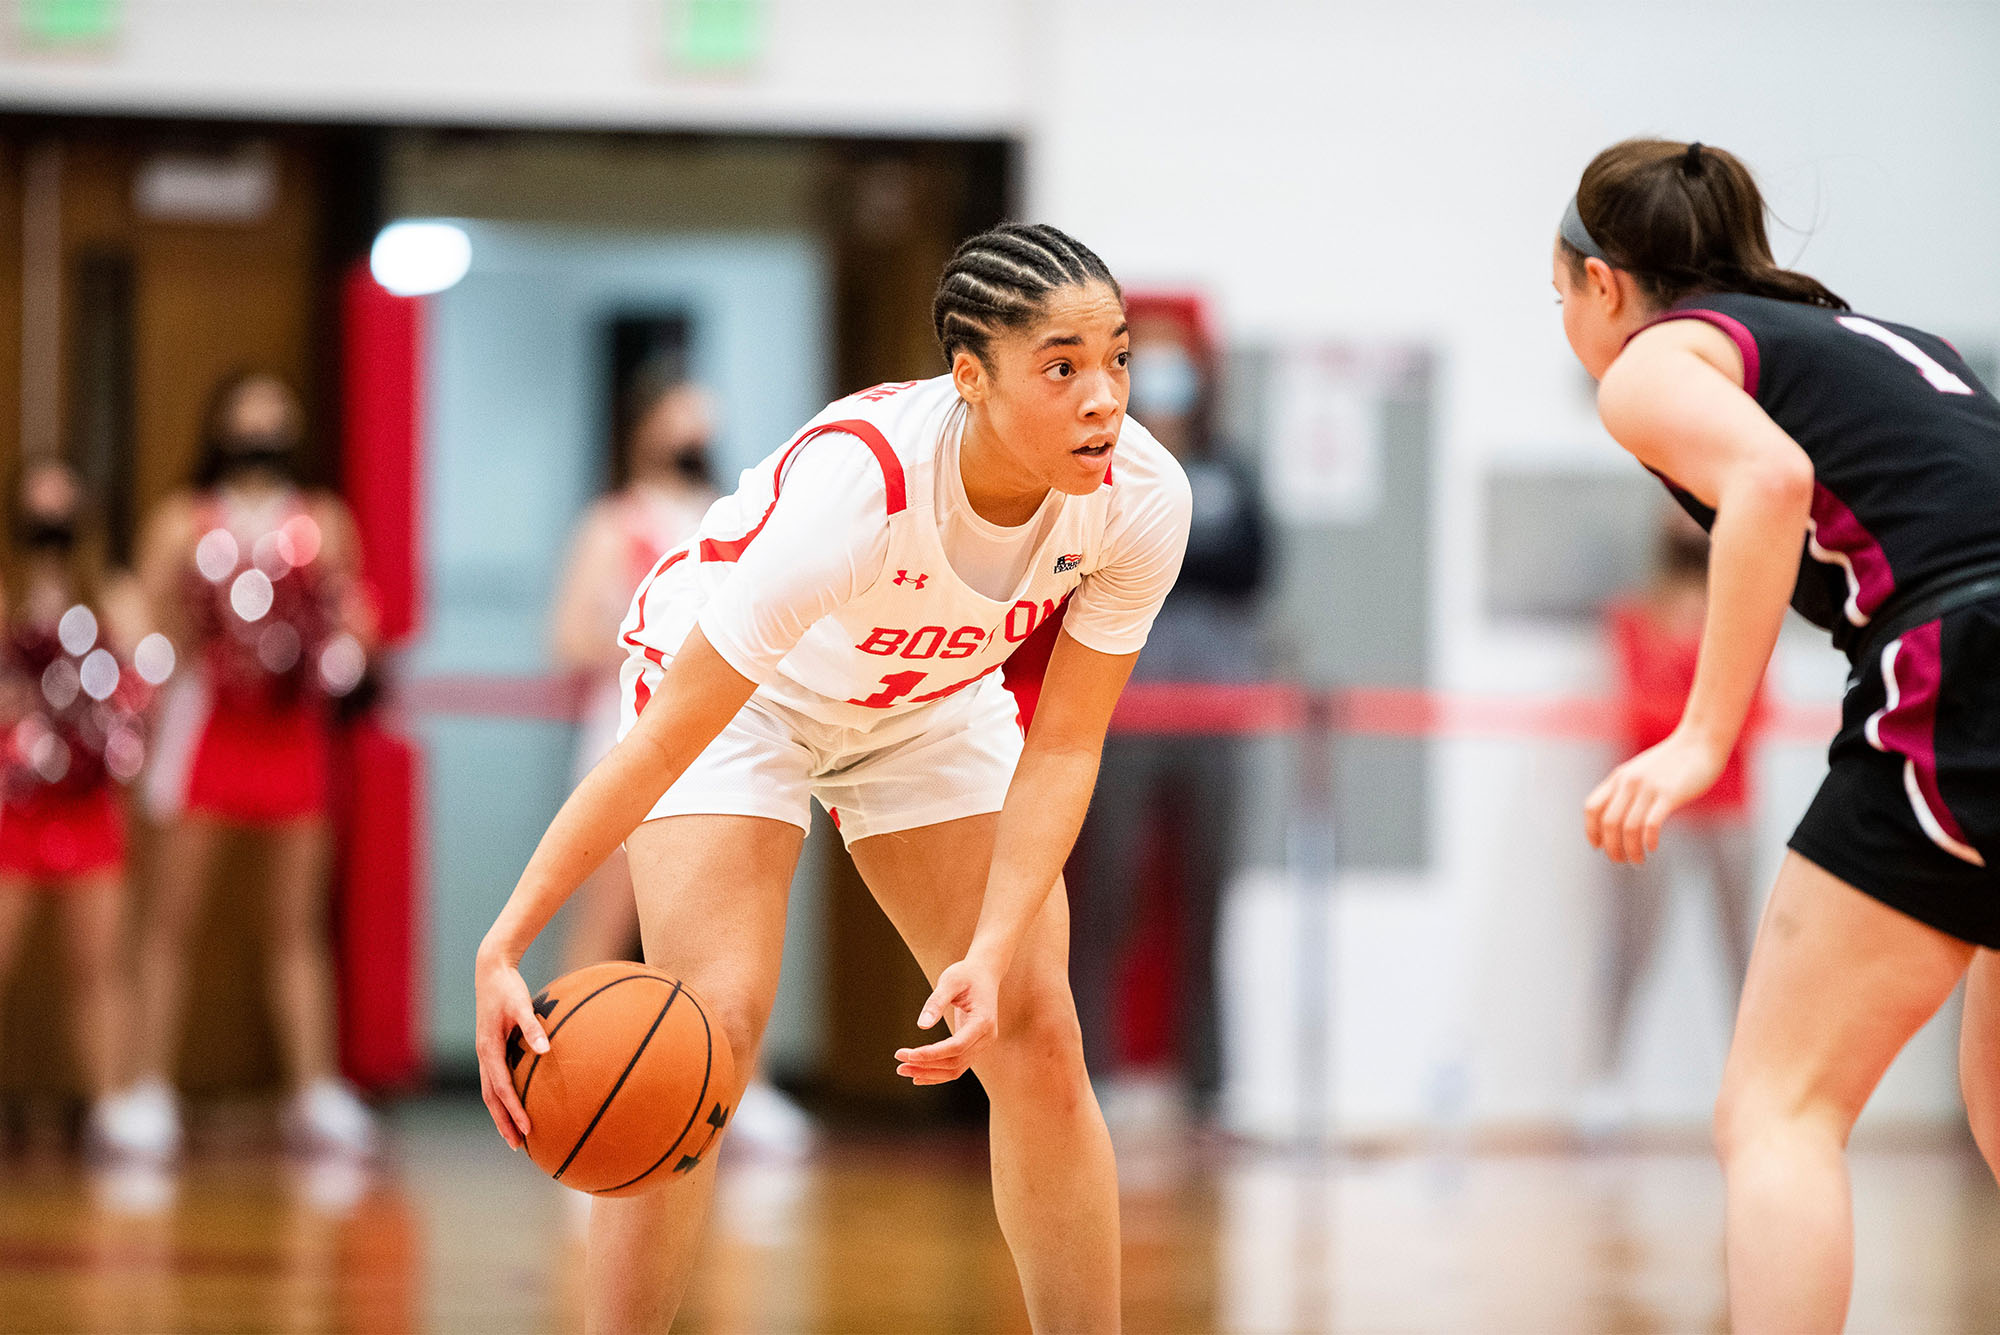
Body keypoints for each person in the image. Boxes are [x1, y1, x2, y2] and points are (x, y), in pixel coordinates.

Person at [474, 222, 1191, 1332]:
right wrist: (507, 938)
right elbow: (662, 744)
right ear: (971, 378)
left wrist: (991, 952)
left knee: (1036, 1031)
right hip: (740, 698)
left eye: (1117, 358)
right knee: (701, 1038)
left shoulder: (1141, 496)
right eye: (1061, 366)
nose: (1103, 397)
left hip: (927, 700)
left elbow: (1062, 746)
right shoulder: (862, 492)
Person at [1555, 139, 2000, 1331]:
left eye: (1555, 292)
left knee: (1774, 1109)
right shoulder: (1884, 343)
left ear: (1601, 284)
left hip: (1965, 662)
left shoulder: (1653, 362)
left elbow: (1766, 483)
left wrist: (1702, 738)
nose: (1562, 318)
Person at [106, 370, 378, 1160]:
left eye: (277, 416)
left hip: (293, 733)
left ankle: (315, 1090)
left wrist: (350, 642)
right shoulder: (181, 522)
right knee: (170, 918)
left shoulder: (324, 519)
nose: (261, 430)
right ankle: (146, 1086)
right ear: (219, 425)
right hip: (207, 728)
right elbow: (146, 630)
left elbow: (353, 616)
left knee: (296, 924)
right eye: (247, 416)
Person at [1068, 295, 1268, 1119]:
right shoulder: (1097, 462)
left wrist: (1169, 556)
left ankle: (1209, 1086)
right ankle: (1093, 1075)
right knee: (1105, 896)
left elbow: (1248, 567)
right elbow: (1102, 565)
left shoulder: (1230, 468)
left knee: (1208, 899)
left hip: (1217, 714)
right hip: (1122, 712)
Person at [1583, 506, 1764, 1128]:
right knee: (1630, 944)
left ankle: (1759, 1085)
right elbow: (1639, 714)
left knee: (1747, 954)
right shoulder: (1633, 618)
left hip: (1730, 803)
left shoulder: (1744, 612)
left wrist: (1699, 730)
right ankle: (1602, 1085)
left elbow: (1752, 711)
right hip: (1653, 808)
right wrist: (1697, 728)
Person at [0, 460, 162, 1155]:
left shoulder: (115, 594)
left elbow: (145, 682)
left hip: (90, 803)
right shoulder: (5, 593)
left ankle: (111, 1103)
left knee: (96, 965)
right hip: (13, 805)